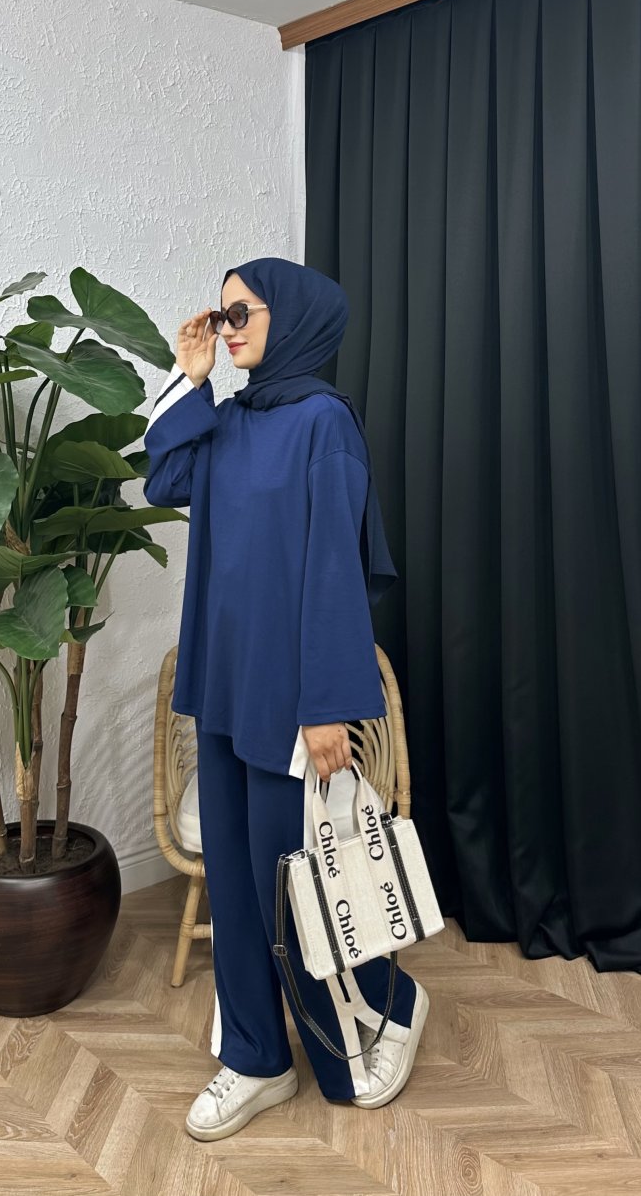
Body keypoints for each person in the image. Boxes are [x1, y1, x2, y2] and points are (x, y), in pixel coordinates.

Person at [142, 257, 429, 1142]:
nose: (226, 327)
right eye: (220, 311)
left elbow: (334, 568)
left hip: (291, 695)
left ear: (292, 317)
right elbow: (162, 479)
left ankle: (384, 1011)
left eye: (241, 313)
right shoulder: (225, 421)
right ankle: (257, 1056)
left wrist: (329, 703)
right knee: (236, 887)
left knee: (294, 885)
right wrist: (190, 378)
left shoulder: (323, 424)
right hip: (223, 686)